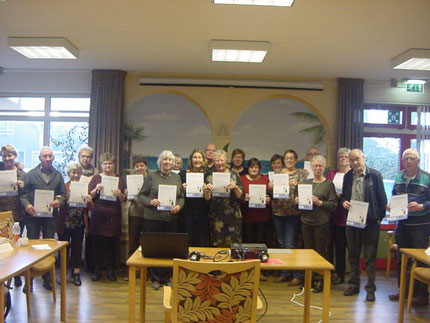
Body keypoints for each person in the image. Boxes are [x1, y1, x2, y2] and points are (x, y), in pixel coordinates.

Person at [340, 149, 387, 302]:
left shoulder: (375, 175)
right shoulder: (348, 176)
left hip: (370, 223)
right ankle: (354, 285)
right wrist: (343, 203)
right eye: (351, 160)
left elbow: (382, 198)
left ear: (363, 158)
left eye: (357, 159)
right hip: (352, 221)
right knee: (353, 255)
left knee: (369, 257)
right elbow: (344, 197)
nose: (355, 163)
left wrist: (379, 217)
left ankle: (370, 289)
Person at [388, 148, 430, 306]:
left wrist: (421, 205)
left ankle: (422, 295)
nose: (409, 161)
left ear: (418, 161)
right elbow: (394, 194)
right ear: (402, 160)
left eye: (412, 158)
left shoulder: (427, 178)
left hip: (420, 226)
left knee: (421, 260)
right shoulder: (399, 176)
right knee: (401, 259)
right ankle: (403, 291)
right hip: (402, 224)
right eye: (406, 158)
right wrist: (390, 204)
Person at [21, 146, 66, 291]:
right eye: (45, 156)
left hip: (50, 217)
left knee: (49, 247)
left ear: (53, 157)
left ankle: (48, 279)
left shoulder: (58, 175)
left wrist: (60, 201)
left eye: (50, 156)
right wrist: (27, 205)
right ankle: (30, 280)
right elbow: (23, 195)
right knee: (31, 248)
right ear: (39, 158)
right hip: (33, 216)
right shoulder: (30, 174)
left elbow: (63, 195)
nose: (48, 159)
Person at [138, 150, 184, 290]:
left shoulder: (177, 178)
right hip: (153, 218)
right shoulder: (152, 176)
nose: (167, 162)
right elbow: (141, 195)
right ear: (160, 162)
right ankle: (155, 278)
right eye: (165, 160)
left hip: (171, 218)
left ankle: (166, 277)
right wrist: (151, 201)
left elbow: (181, 197)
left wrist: (179, 206)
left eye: (170, 160)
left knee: (169, 248)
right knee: (155, 249)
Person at [296, 155, 336, 293]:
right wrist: (298, 201)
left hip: (321, 222)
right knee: (308, 252)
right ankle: (309, 279)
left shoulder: (329, 184)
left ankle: (321, 280)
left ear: (324, 168)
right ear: (311, 168)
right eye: (315, 166)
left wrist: (319, 202)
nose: (318, 168)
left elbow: (333, 205)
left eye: (320, 166)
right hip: (306, 221)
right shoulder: (306, 183)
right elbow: (300, 205)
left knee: (320, 253)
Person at [270, 149, 308, 285]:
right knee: (280, 244)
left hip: (293, 213)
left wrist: (298, 184)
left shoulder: (301, 174)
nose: (289, 160)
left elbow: (307, 190)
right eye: (287, 158)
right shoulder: (277, 174)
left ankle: (297, 275)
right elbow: (271, 193)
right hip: (278, 212)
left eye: (292, 158)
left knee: (291, 244)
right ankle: (284, 273)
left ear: (296, 160)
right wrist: (270, 187)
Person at [88, 153, 126, 282]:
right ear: (101, 165)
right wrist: (95, 190)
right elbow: (89, 197)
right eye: (105, 163)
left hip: (113, 215)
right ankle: (97, 270)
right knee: (97, 244)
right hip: (98, 215)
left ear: (114, 165)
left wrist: (119, 193)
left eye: (110, 163)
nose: (108, 166)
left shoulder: (120, 178)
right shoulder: (96, 178)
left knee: (111, 245)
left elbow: (123, 199)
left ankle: (111, 270)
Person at [57, 162, 92, 286]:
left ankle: (76, 274)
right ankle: (62, 274)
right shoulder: (63, 186)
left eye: (78, 173)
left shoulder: (85, 187)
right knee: (64, 250)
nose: (76, 175)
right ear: (68, 174)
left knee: (77, 249)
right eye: (73, 173)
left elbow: (90, 207)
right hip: (65, 223)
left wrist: (89, 200)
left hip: (79, 224)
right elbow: (60, 203)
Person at [204, 150, 245, 247]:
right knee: (216, 244)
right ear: (213, 162)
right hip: (216, 216)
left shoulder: (235, 175)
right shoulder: (209, 176)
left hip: (233, 216)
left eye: (221, 160)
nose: (219, 163)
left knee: (234, 245)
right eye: (217, 160)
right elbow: (207, 199)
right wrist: (206, 190)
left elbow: (241, 196)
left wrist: (235, 187)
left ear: (226, 161)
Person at [0, 145, 26, 287]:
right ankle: (3, 275)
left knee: (15, 245)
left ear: (15, 156)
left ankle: (16, 275)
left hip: (17, 214)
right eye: (4, 156)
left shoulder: (21, 174)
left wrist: (23, 186)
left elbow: (27, 195)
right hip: (1, 215)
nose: (7, 158)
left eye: (10, 155)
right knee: (2, 246)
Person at [326, 147, 351, 285]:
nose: (344, 159)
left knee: (351, 249)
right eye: (341, 157)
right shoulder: (332, 173)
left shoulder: (353, 174)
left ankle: (351, 276)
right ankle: (338, 274)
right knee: (337, 247)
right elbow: (327, 189)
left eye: (346, 157)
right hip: (334, 215)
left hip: (349, 216)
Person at [179, 148, 210, 246]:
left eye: (200, 157)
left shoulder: (208, 175)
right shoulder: (183, 174)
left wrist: (207, 190)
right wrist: (182, 188)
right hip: (186, 212)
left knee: (201, 239)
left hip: (202, 212)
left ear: (204, 160)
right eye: (195, 157)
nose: (197, 160)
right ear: (191, 159)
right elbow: (178, 194)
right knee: (187, 240)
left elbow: (208, 198)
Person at [124, 155, 148, 281]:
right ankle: (131, 270)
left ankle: (145, 271)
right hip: (134, 213)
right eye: (137, 166)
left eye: (141, 166)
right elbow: (127, 199)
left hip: (148, 214)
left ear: (146, 167)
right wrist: (128, 194)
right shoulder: (131, 179)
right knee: (133, 243)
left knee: (146, 243)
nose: (139, 168)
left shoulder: (151, 179)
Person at [77, 145, 98, 273]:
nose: (86, 159)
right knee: (77, 237)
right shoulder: (73, 169)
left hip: (91, 207)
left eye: (88, 156)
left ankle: (89, 264)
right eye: (83, 156)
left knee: (90, 236)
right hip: (76, 208)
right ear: (79, 157)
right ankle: (75, 265)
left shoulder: (96, 172)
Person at [240, 158, 271, 244]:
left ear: (260, 168)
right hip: (247, 215)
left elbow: (270, 194)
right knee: (248, 242)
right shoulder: (242, 179)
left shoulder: (265, 179)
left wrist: (269, 199)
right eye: (251, 167)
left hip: (262, 216)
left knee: (260, 242)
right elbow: (237, 196)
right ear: (248, 168)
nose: (253, 169)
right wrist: (243, 197)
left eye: (256, 167)